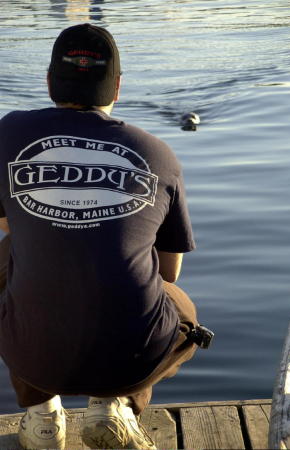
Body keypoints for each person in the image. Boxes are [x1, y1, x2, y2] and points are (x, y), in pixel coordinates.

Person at [0, 23, 203, 450]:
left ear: (49, 81)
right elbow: (169, 272)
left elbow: (10, 223)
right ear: (118, 88)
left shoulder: (6, 134)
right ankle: (113, 407)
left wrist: (54, 222)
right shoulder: (158, 153)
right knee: (178, 306)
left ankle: (42, 419)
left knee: (16, 261)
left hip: (33, 353)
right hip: (129, 359)